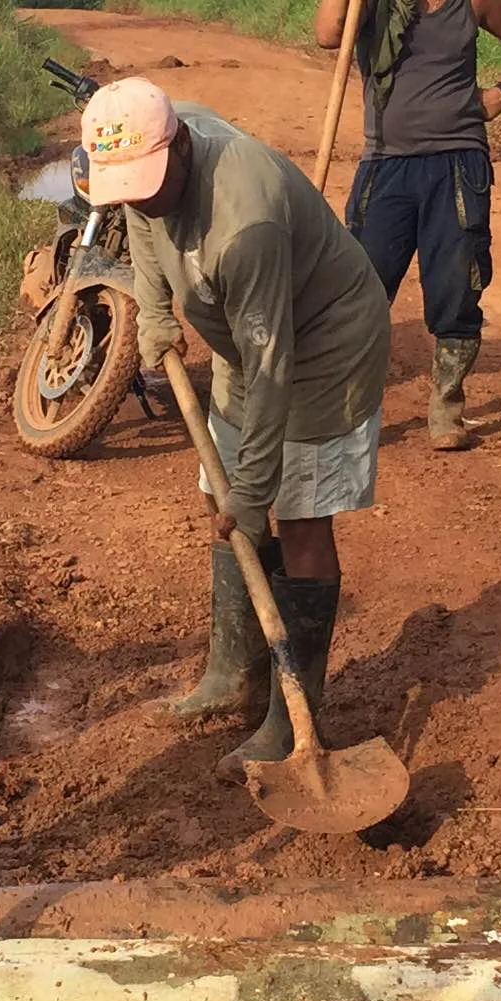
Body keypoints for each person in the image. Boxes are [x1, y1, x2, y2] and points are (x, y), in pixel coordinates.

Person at [80, 77, 392, 765]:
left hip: (320, 344)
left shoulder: (243, 220)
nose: (139, 194)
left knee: (296, 514)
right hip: (245, 334)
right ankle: (234, 676)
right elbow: (136, 211)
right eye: (124, 184)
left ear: (182, 148)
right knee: (217, 495)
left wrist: (255, 492)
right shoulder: (143, 149)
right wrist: (157, 309)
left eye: (151, 181)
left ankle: (293, 717)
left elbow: (272, 363)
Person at [316, 0, 501, 451]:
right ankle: (345, 410)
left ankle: (446, 407)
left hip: (458, 162)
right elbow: (327, 33)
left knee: (455, 287)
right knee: (360, 288)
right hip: (385, 164)